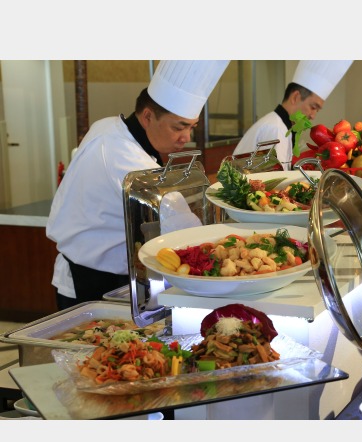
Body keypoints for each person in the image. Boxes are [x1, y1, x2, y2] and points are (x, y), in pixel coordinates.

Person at [46, 60, 230, 310]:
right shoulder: (123, 155)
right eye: (179, 127)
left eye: (192, 127)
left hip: (117, 276)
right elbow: (183, 225)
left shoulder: (109, 126)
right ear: (147, 116)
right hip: (90, 282)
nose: (186, 138)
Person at [233, 60, 353, 170]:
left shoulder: (284, 127)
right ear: (295, 97)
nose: (313, 116)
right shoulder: (274, 129)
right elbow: (271, 179)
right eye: (313, 107)